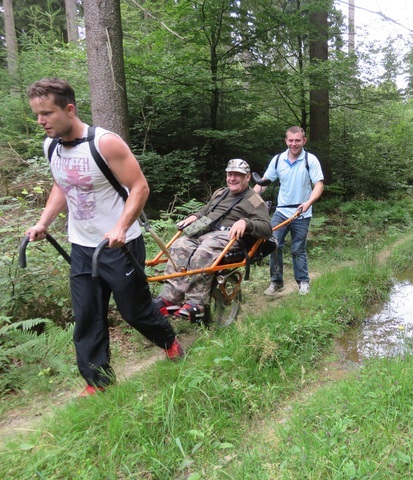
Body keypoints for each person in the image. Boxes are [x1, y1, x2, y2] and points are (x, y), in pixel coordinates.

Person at [26, 78, 184, 397]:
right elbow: (62, 186)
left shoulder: (105, 143)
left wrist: (121, 226)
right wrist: (43, 222)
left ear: (69, 110)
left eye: (47, 113)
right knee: (87, 314)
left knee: (133, 310)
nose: (40, 121)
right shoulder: (51, 145)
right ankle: (99, 381)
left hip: (119, 245)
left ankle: (168, 341)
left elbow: (139, 187)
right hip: (82, 247)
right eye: (36, 114)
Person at [155, 159, 272, 321]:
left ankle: (196, 303)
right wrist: (195, 216)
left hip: (227, 237)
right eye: (230, 174)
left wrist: (246, 222)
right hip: (204, 232)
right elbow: (205, 211)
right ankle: (170, 297)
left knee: (203, 252)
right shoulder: (220, 193)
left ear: (248, 177)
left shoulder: (254, 200)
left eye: (237, 175)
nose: (232, 178)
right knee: (179, 245)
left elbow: (267, 228)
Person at [254, 126, 324, 296]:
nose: (294, 144)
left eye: (297, 140)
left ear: (304, 141)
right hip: (281, 212)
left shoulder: (310, 160)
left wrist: (308, 203)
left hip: (302, 212)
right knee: (273, 244)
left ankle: (303, 282)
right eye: (291, 140)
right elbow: (263, 183)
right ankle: (276, 282)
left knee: (298, 249)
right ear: (286, 141)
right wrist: (248, 201)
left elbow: (319, 185)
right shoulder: (278, 160)